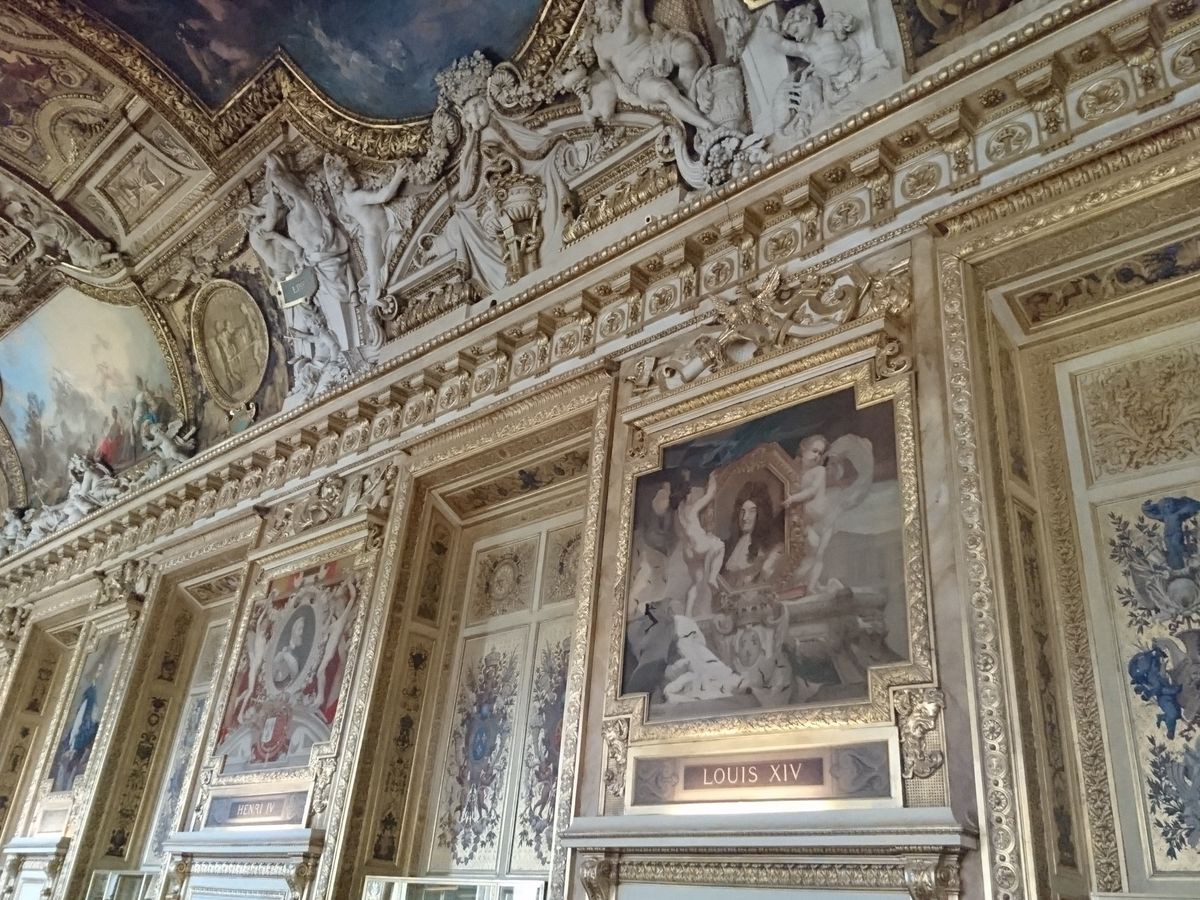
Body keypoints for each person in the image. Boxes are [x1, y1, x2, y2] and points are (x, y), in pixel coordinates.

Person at [675, 471, 725, 615]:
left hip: (688, 552)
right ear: (689, 494)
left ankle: (688, 613)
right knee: (720, 546)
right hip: (699, 545)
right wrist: (712, 478)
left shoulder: (679, 510)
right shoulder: (692, 509)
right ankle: (713, 578)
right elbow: (710, 494)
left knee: (696, 582)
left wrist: (686, 477)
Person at [722, 481, 782, 588]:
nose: (745, 517)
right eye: (742, 511)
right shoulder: (731, 545)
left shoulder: (766, 549)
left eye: (752, 511)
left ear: (761, 514)